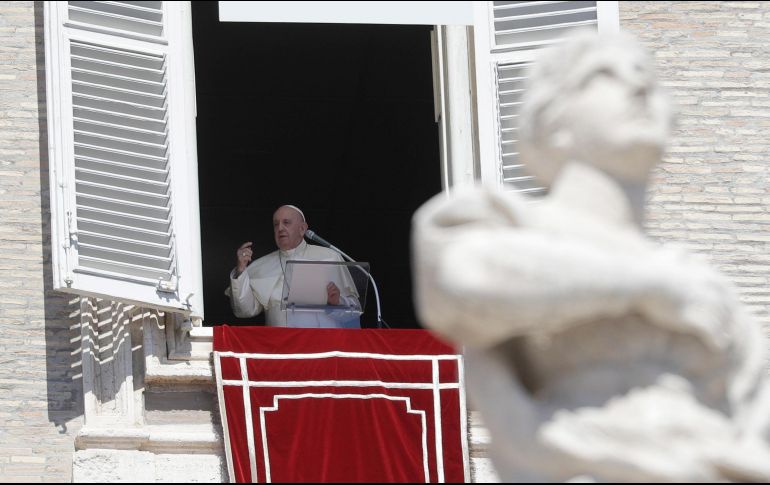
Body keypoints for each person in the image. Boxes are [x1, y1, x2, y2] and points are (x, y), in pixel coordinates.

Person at [412, 32, 770, 481]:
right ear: (552, 120)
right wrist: (643, 286)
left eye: (650, 78)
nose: (640, 88)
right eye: (604, 74)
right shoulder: (496, 222)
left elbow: (755, 415)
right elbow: (462, 282)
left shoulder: (702, 279)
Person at [226, 205, 359, 327]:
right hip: (281, 347)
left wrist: (336, 302)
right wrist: (241, 270)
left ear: (302, 229)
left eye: (286, 223)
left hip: (322, 346)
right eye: (276, 224)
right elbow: (244, 311)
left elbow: (354, 311)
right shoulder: (261, 265)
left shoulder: (329, 257)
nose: (280, 228)